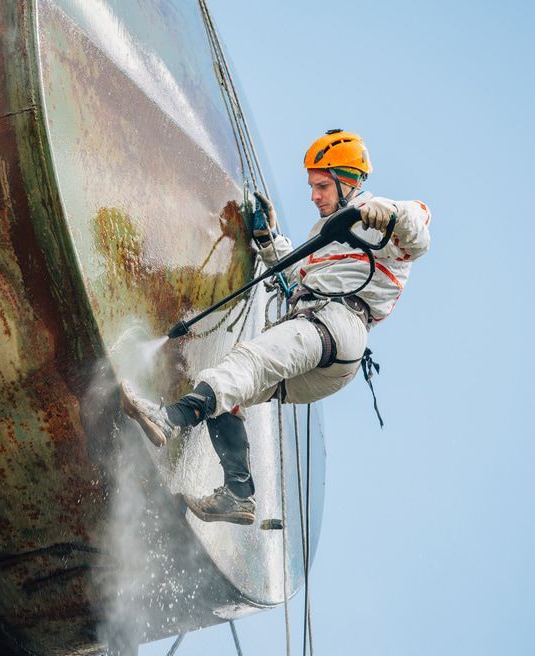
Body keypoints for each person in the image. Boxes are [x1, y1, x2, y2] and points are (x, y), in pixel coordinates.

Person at [121, 129, 431, 525]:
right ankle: (238, 493)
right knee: (231, 388)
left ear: (348, 180)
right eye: (311, 187)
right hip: (331, 351)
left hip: (335, 324)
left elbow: (419, 231)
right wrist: (268, 239)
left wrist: (389, 214)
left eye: (321, 186)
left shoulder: (377, 216)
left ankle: (166, 418)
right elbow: (296, 273)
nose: (314, 196)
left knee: (245, 363)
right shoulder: (327, 233)